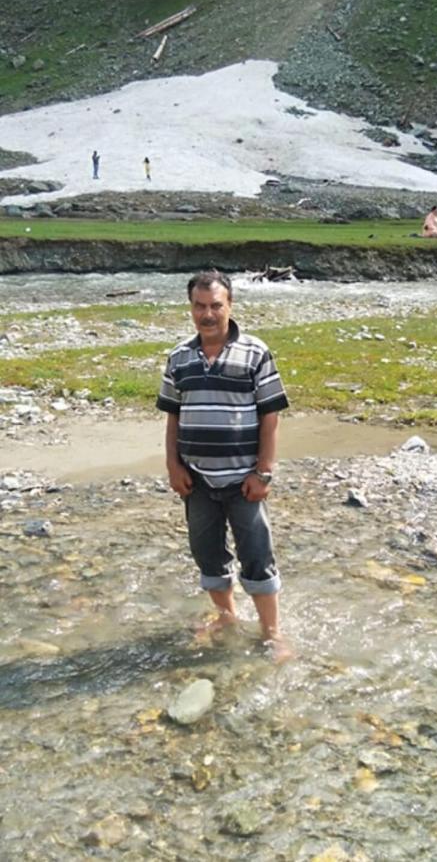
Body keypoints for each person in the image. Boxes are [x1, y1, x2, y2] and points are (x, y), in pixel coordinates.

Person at [156, 270, 291, 661]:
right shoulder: (179, 357)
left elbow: (270, 415)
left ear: (230, 305)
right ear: (190, 308)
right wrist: (173, 466)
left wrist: (263, 471)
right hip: (196, 481)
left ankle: (272, 633)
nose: (208, 314)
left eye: (216, 305)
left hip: (244, 481)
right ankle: (227, 617)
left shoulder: (255, 352)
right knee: (207, 554)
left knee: (257, 555)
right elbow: (173, 417)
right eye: (200, 306)